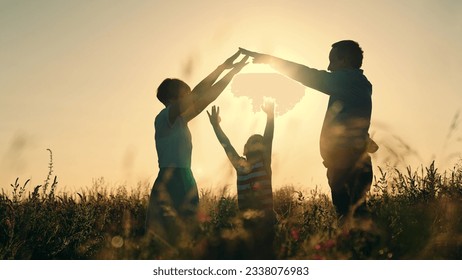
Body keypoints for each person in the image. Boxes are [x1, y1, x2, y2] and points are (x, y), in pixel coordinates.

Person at [240, 40, 378, 220]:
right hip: (351, 162)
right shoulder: (361, 84)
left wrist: (269, 60)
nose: (328, 67)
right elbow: (353, 119)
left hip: (347, 164)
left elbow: (308, 75)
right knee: (356, 216)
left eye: (332, 60)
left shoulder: (348, 80)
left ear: (344, 61)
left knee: (350, 219)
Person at [145, 50, 249, 246]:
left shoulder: (181, 120)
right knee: (166, 237)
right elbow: (198, 94)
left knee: (187, 235)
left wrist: (232, 73)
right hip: (171, 179)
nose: (189, 96)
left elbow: (208, 96)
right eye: (185, 93)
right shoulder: (164, 118)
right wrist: (221, 68)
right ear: (174, 96)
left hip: (186, 178)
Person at [207, 101, 275, 259]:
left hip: (266, 221)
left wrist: (270, 117)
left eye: (260, 141)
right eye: (253, 141)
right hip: (246, 220)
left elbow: (269, 138)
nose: (258, 143)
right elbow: (226, 145)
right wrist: (216, 126)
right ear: (245, 149)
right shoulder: (240, 165)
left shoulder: (264, 163)